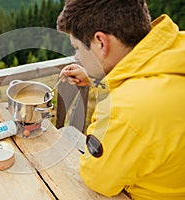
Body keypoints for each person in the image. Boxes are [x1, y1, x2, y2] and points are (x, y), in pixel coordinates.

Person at [57, 0, 185, 199]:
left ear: (101, 42)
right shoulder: (177, 50)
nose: (76, 57)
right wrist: (98, 79)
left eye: (77, 47)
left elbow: (97, 178)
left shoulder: (123, 110)